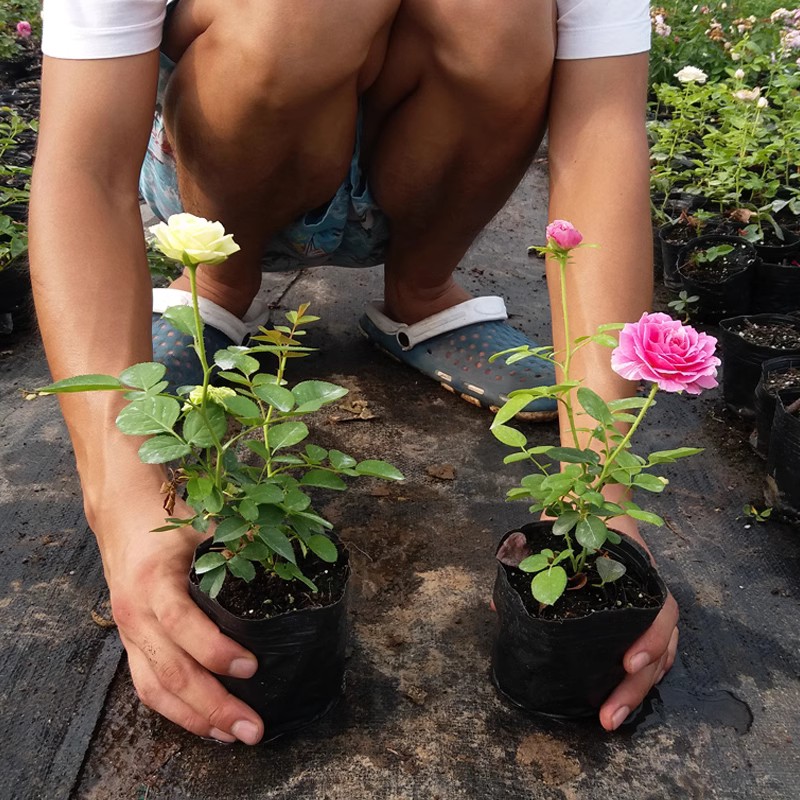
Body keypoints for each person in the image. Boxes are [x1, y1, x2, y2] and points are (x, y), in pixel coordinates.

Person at [31, 0, 678, 745]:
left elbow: (601, 140)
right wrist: (121, 507)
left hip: (426, 158)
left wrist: (605, 495)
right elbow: (84, 163)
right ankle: (217, 286)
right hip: (224, 164)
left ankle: (423, 293)